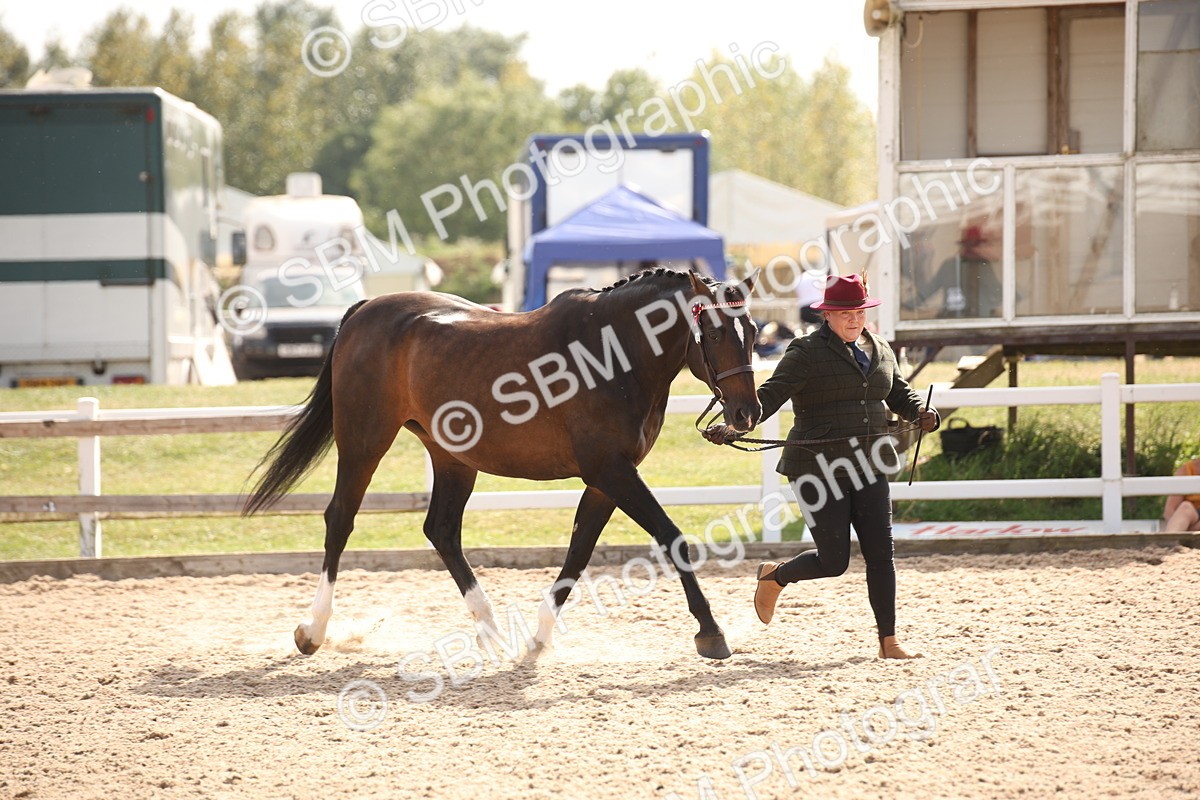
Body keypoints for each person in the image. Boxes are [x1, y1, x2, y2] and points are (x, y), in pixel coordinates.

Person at [703, 273, 940, 659]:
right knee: (834, 561)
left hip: (870, 465)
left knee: (882, 554)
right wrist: (733, 426)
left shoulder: (880, 348)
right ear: (827, 314)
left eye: (859, 311)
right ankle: (774, 576)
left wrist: (923, 413)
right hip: (817, 469)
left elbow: (899, 392)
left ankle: (889, 641)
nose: (854, 319)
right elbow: (770, 395)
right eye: (845, 312)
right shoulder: (806, 351)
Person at [1162, 457, 1200, 532]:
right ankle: (1170, 540)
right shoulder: (1186, 470)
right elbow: (1169, 510)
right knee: (1185, 507)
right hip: (1192, 517)